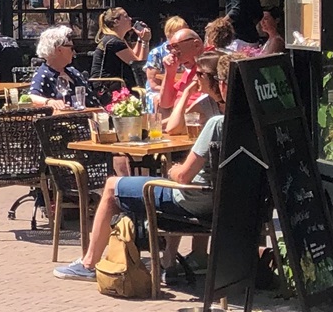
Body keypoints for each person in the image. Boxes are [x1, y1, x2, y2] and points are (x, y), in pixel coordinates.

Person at [54, 111, 223, 284]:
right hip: (222, 204)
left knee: (112, 186)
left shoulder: (218, 123)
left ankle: (88, 264)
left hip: (193, 200)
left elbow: (183, 177)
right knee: (164, 184)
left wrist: (174, 170)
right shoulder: (249, 124)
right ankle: (170, 261)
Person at [28, 25, 90, 110]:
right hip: (69, 120)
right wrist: (49, 102)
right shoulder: (43, 74)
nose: (74, 52)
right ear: (58, 49)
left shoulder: (73, 72)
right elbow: (31, 97)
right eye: (71, 48)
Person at [92, 6, 149, 88]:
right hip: (105, 88)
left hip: (111, 84)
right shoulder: (114, 42)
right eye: (126, 17)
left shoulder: (116, 39)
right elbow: (138, 65)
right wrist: (145, 41)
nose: (130, 18)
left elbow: (134, 56)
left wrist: (140, 39)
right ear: (116, 22)